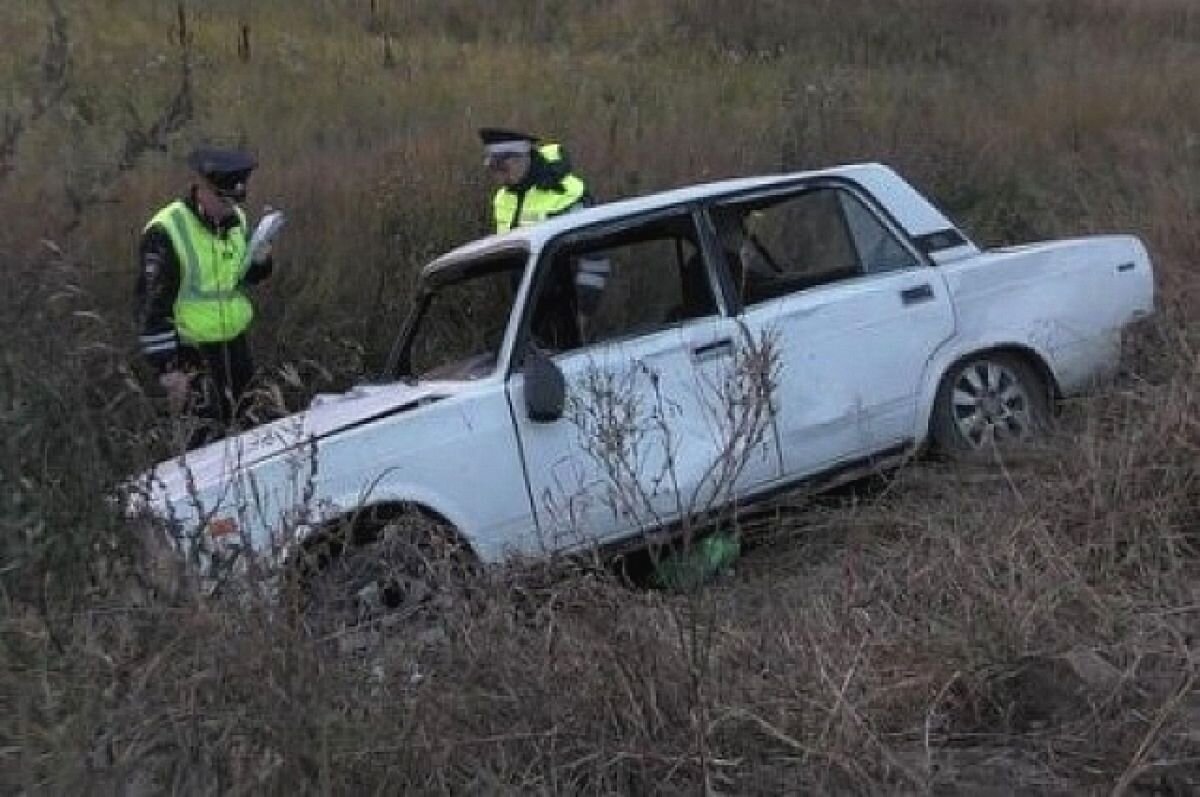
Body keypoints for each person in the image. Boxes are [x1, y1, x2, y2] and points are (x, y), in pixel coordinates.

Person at [134, 147, 275, 446]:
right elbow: (149, 308)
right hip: (191, 354)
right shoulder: (166, 231)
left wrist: (261, 260)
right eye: (223, 199)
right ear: (203, 189)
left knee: (249, 435)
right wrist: (169, 370)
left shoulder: (235, 219)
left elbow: (240, 278)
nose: (229, 207)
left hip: (235, 346)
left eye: (235, 200)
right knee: (203, 447)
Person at [479, 127, 609, 345]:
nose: (499, 177)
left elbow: (595, 259)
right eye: (493, 169)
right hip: (526, 313)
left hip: (568, 310)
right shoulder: (503, 199)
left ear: (521, 158)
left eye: (502, 168)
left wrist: (584, 312)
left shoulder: (566, 192)